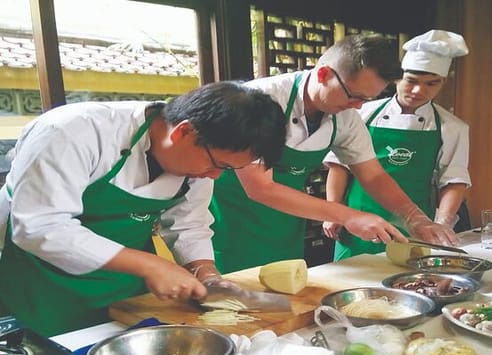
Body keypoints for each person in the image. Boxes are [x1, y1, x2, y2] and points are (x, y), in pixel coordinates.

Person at [0, 82, 287, 336]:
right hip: (42, 285)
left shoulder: (198, 163)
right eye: (218, 165)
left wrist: (207, 275)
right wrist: (151, 265)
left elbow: (189, 225)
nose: (215, 176)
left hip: (124, 288)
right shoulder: (71, 132)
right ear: (184, 131)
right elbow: (40, 228)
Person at [210, 34, 457, 274]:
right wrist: (349, 215)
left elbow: (373, 176)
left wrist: (415, 217)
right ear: (324, 74)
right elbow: (260, 188)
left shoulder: (345, 116)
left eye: (367, 99)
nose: (359, 106)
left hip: (286, 220)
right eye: (354, 96)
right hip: (232, 220)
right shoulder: (259, 101)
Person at [323, 30, 471, 260]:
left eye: (432, 84)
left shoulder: (452, 127)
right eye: (411, 81)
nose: (419, 91)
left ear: (443, 81)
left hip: (414, 227)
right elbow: (339, 166)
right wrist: (334, 211)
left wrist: (442, 224)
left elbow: (453, 181)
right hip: (359, 223)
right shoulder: (362, 113)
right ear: (397, 78)